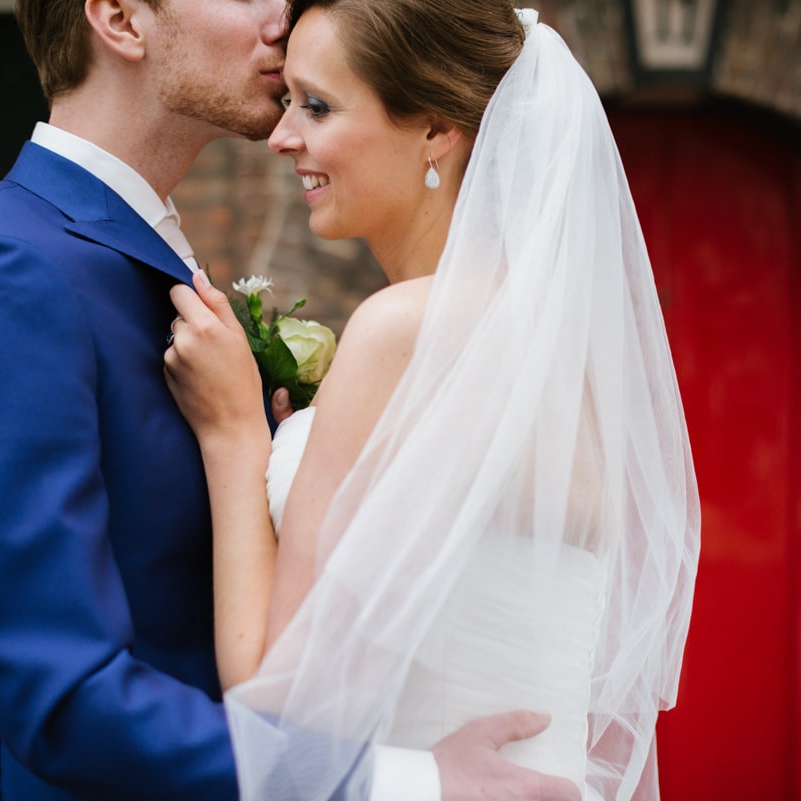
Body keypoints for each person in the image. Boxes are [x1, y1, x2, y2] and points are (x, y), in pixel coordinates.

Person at [0, 1, 568, 799]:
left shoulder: (138, 256)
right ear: (119, 19)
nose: (279, 11)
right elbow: (62, 697)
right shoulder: (2, 279)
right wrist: (398, 780)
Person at [164, 2, 701, 801]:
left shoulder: (401, 333)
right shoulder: (563, 349)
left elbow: (271, 699)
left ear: (435, 130)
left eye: (316, 105)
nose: (282, 137)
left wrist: (235, 437)